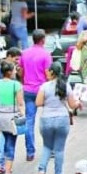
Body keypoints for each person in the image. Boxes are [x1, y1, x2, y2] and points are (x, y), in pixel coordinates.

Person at [36, 61, 80, 174]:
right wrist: (78, 103)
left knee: (47, 147)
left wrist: (48, 102)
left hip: (46, 120)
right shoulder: (66, 86)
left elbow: (38, 103)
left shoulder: (44, 86)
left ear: (51, 72)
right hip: (62, 120)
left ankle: (41, 171)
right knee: (59, 150)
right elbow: (72, 104)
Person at [21, 29, 52, 163]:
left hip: (28, 89)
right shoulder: (46, 55)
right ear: (43, 40)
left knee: (29, 121)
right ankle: (49, 148)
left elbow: (21, 72)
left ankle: (30, 151)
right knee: (48, 119)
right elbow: (48, 75)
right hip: (42, 90)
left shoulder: (24, 53)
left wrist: (25, 81)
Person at [0, 61, 24, 174]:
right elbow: (20, 103)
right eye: (14, 70)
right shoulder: (16, 85)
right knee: (11, 144)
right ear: (9, 72)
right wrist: (23, 114)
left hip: (0, 115)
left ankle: (2, 165)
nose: (16, 72)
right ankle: (8, 172)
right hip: (12, 116)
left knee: (5, 140)